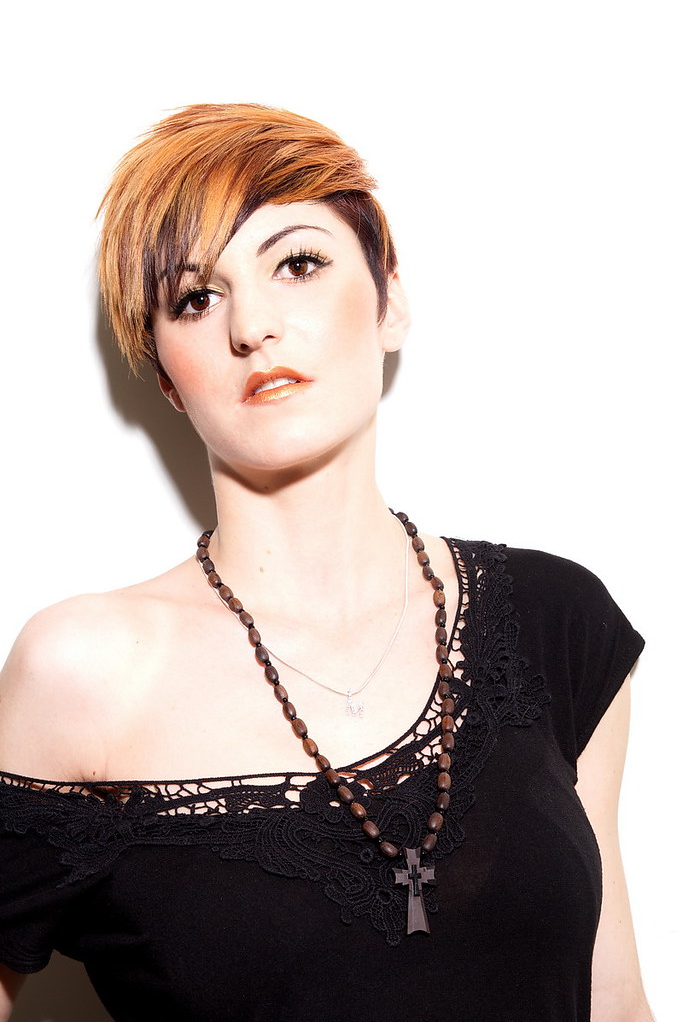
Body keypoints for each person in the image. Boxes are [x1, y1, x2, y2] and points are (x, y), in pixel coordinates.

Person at [0, 104, 652, 1021]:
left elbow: (613, 1000)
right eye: (196, 298)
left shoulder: (556, 621)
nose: (252, 325)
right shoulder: (83, 672)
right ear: (166, 379)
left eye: (297, 264)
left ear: (390, 301)